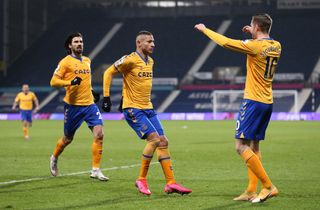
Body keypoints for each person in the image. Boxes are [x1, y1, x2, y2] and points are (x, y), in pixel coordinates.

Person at [195, 13, 281, 203]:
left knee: (240, 146)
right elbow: (263, 43)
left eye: (252, 25)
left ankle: (268, 186)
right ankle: (251, 190)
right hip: (267, 102)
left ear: (256, 27)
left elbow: (225, 42)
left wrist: (205, 30)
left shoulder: (254, 46)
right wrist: (253, 33)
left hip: (252, 101)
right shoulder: (276, 45)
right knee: (254, 146)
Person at [102, 31, 192, 195]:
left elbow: (135, 82)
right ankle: (141, 179)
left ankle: (171, 183)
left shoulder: (150, 61)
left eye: (153, 42)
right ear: (139, 43)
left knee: (163, 141)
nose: (153, 44)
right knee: (154, 140)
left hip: (148, 107)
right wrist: (107, 97)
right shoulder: (129, 59)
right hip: (133, 108)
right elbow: (108, 72)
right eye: (149, 42)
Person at [49, 32, 108, 181]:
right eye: (76, 42)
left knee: (99, 134)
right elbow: (53, 82)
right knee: (67, 139)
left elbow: (85, 81)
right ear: (70, 45)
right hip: (73, 107)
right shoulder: (65, 62)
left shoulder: (87, 60)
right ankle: (54, 157)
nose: (79, 44)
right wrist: (70, 82)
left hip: (89, 105)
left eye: (81, 41)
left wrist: (92, 91)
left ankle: (95, 170)